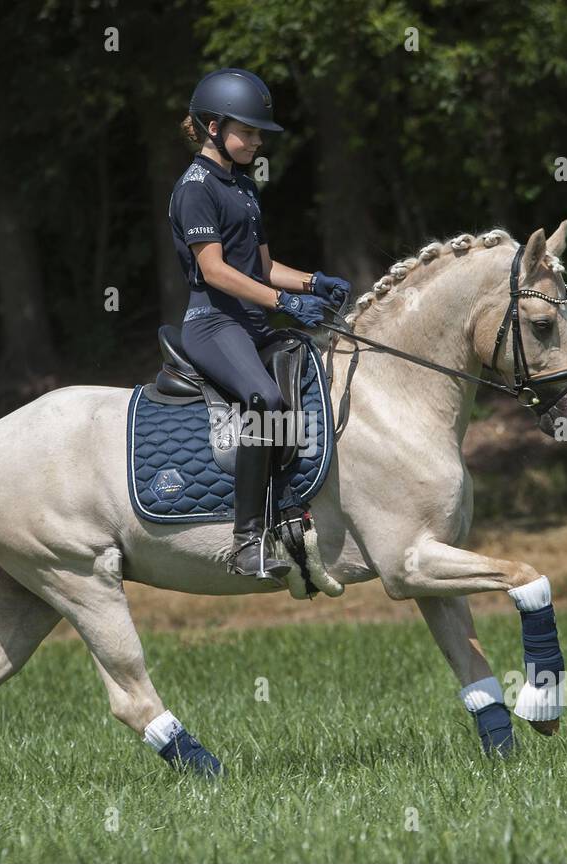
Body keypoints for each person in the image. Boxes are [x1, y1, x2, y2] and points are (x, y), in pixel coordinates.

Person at [168, 67, 351, 584]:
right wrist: (282, 303)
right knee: (266, 401)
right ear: (211, 127)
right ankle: (247, 540)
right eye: (246, 132)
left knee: (312, 368)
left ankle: (294, 507)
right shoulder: (195, 188)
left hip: (250, 321)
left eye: (258, 134)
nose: (254, 141)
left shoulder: (244, 185)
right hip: (211, 324)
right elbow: (215, 271)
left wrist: (313, 283)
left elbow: (264, 267)